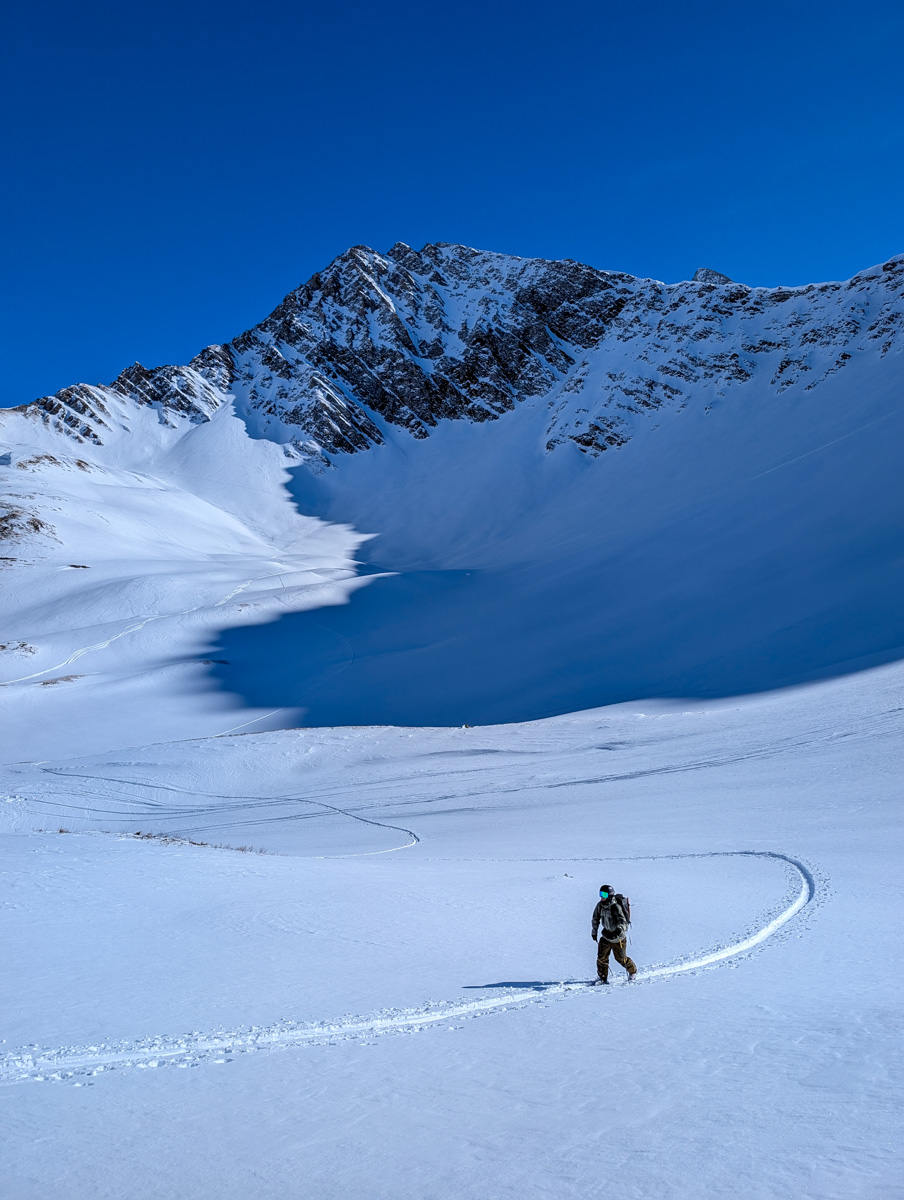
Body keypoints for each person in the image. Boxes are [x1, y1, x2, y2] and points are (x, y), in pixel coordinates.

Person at [591, 884, 637, 983]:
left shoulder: (615, 906)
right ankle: (602, 977)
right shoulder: (600, 905)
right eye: (600, 894)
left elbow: (622, 921)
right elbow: (595, 918)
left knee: (621, 959)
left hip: (618, 938)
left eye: (604, 894)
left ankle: (632, 971)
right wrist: (594, 932)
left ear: (610, 895)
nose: (602, 897)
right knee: (601, 958)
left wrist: (619, 929)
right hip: (606, 936)